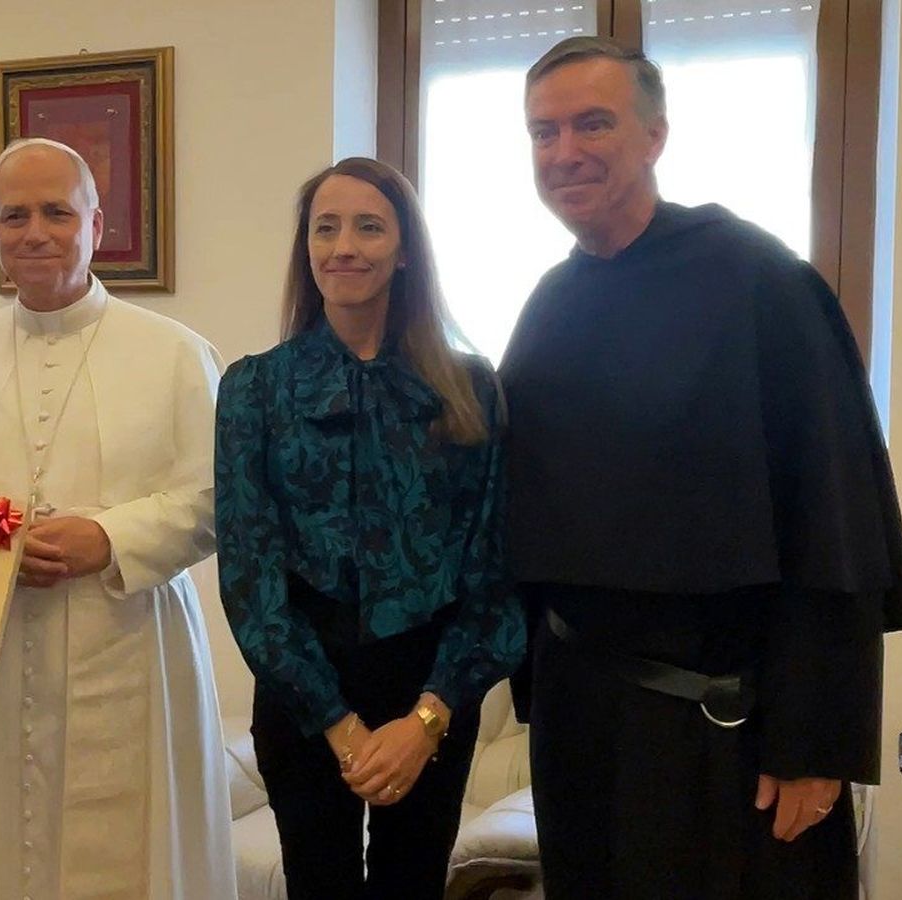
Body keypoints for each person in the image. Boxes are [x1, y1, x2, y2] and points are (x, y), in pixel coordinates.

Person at [502, 36, 902, 899]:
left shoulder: (761, 282)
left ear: (654, 137)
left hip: (726, 728)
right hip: (583, 722)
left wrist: (816, 742)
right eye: (544, 133)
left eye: (593, 124)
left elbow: (832, 513)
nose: (565, 152)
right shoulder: (548, 304)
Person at [0, 137, 237, 900]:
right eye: (13, 216)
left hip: (130, 643)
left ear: (95, 222)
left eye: (57, 211)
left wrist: (109, 536)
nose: (35, 232)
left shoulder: (177, 354)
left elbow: (218, 496)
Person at [214, 156, 525, 900]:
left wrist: (426, 718)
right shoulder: (255, 387)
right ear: (307, 249)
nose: (344, 245)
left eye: (368, 226)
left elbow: (493, 571)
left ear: (406, 248)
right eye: (326, 228)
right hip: (302, 691)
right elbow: (250, 580)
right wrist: (340, 726)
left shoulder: (469, 384)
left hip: (431, 690)